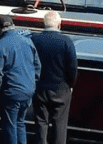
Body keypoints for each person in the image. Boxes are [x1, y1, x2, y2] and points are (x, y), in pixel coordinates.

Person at [0, 14, 40, 144]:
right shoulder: (28, 41)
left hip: (11, 91)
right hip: (28, 90)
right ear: (13, 26)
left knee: (10, 126)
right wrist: (32, 83)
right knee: (20, 123)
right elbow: (37, 66)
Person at [30, 12, 77, 144]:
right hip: (61, 89)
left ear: (44, 24)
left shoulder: (34, 39)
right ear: (59, 24)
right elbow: (72, 67)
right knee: (60, 124)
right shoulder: (66, 41)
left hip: (40, 88)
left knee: (41, 123)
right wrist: (71, 84)